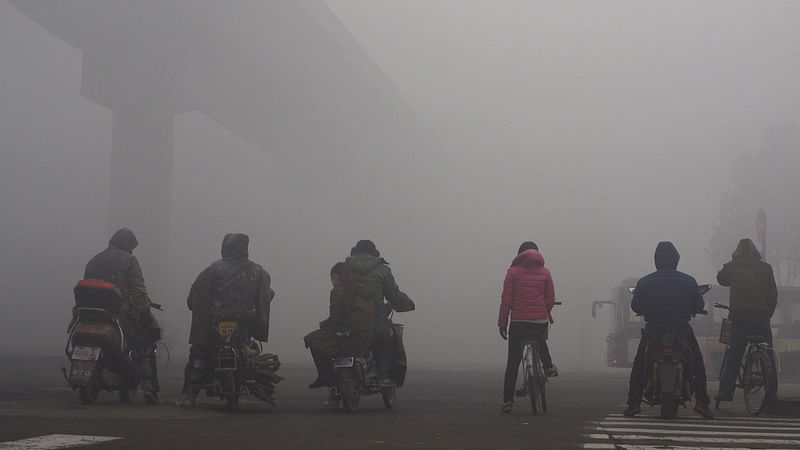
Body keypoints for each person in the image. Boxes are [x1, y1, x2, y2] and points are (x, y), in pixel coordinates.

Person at [182, 233, 275, 407]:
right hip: (244, 326)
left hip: (215, 324)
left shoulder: (213, 269)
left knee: (199, 354)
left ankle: (190, 395)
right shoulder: (259, 271)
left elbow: (195, 297)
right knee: (246, 352)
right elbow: (266, 296)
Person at [623, 241, 713, 418]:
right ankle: (702, 403)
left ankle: (633, 404)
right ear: (676, 260)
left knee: (639, 364)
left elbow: (636, 305)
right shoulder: (689, 281)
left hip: (654, 329)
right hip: (681, 329)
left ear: (657, 260)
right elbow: (699, 303)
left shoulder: (645, 281)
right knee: (697, 363)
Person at [84, 227, 161, 404]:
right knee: (145, 343)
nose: (132, 251)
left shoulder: (94, 260)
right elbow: (137, 291)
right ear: (128, 246)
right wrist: (144, 314)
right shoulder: (129, 260)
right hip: (119, 315)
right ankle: (149, 389)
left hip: (90, 314)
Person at [715, 238, 778, 403]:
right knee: (768, 355)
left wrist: (731, 263)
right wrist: (767, 314)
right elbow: (773, 295)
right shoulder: (766, 268)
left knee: (734, 355)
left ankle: (726, 393)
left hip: (740, 318)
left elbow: (721, 279)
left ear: (738, 252)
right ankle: (772, 394)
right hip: (761, 319)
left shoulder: (733, 266)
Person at [498, 241, 557, 414]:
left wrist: (502, 323)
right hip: (539, 320)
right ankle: (547, 366)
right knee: (540, 337)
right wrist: (544, 312)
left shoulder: (512, 273)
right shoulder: (546, 273)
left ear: (519, 254)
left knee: (513, 362)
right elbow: (550, 299)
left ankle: (508, 400)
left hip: (517, 322)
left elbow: (506, 300)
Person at [303, 262, 375, 392]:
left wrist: (323, 324)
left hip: (349, 336)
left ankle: (325, 376)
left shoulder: (338, 291)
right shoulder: (363, 290)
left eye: (331, 277)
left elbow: (336, 319)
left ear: (336, 276)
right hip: (366, 335)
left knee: (312, 339)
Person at [345, 240, 405, 387]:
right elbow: (394, 295)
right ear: (375, 254)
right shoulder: (382, 270)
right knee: (388, 338)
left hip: (347, 322)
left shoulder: (344, 268)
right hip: (375, 323)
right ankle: (383, 376)